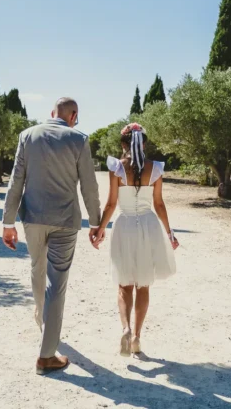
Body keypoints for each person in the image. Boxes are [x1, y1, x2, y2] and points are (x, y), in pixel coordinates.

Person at [2, 97, 102, 375]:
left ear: (51, 114)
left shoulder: (27, 136)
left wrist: (7, 222)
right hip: (65, 221)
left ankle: (41, 317)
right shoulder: (79, 140)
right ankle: (46, 356)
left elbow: (16, 180)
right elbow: (89, 186)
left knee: (37, 267)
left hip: (32, 218)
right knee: (57, 283)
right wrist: (96, 222)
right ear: (73, 116)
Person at [95, 123, 179, 356]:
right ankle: (137, 337)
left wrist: (100, 229)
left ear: (124, 144)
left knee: (124, 285)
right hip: (148, 225)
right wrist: (169, 232)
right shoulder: (156, 169)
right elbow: (159, 204)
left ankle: (125, 328)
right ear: (144, 143)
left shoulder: (117, 168)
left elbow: (111, 204)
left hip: (124, 225)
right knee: (143, 285)